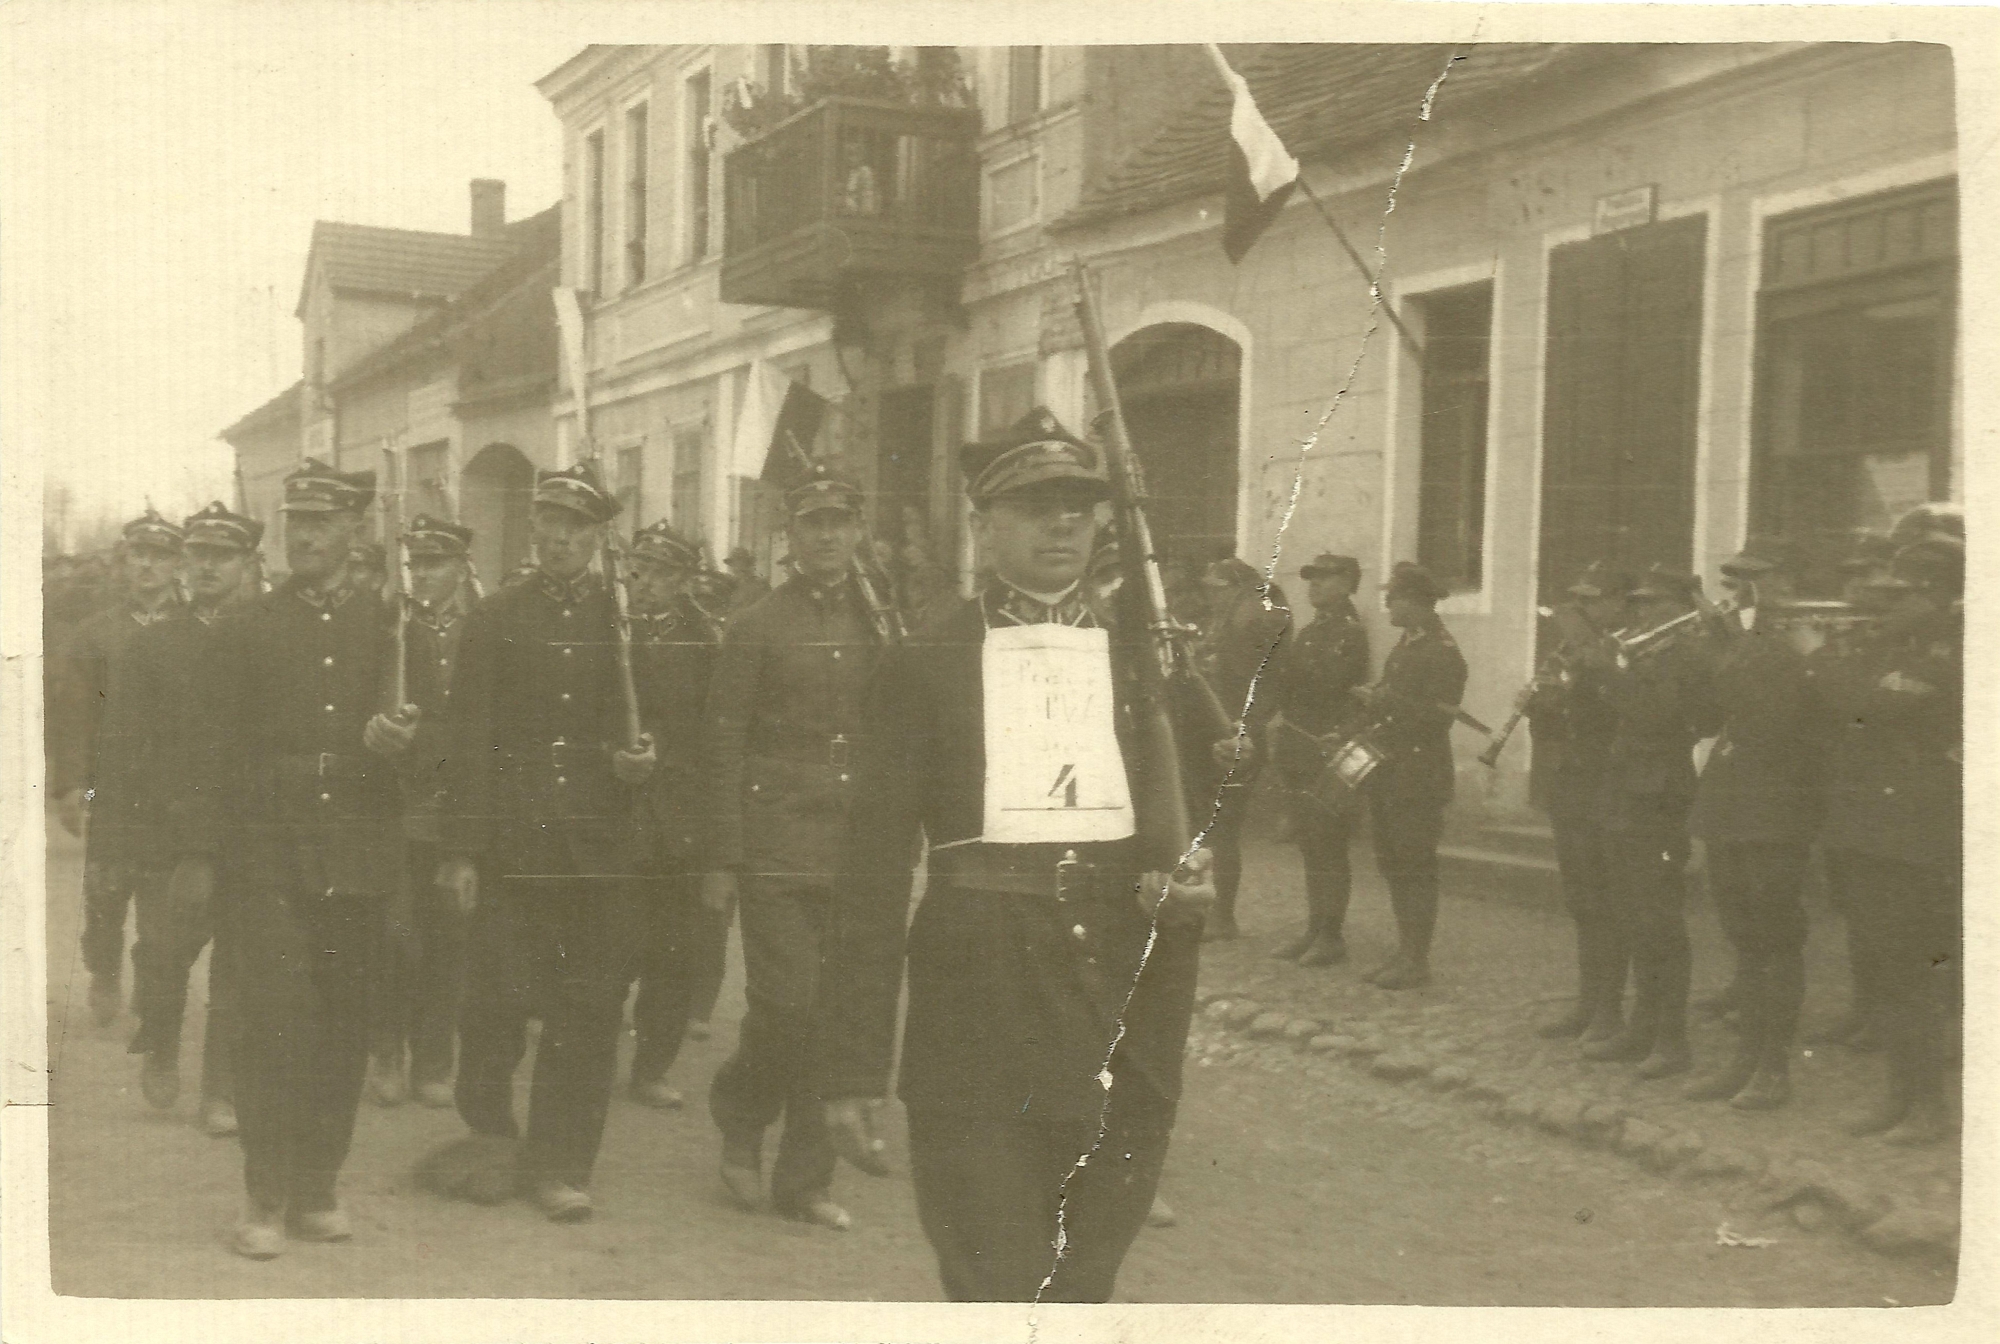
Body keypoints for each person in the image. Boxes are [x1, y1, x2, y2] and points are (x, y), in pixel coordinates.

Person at [810, 406, 1216, 1301]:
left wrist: (1191, 882)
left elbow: (1193, 822)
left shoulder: (1144, 662)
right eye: (1035, 505)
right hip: (978, 1013)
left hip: (1117, 1013)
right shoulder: (928, 663)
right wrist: (850, 1066)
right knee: (996, 1281)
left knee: (1081, 1285)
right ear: (984, 525)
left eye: (1078, 504)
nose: (1063, 521)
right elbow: (872, 877)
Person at [170, 460, 417, 1258]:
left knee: (344, 1025)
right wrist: (200, 853)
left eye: (322, 521)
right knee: (275, 1024)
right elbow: (205, 749)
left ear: (356, 532)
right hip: (265, 851)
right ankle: (264, 1193)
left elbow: (439, 744)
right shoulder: (247, 628)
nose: (305, 534)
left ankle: (318, 1186)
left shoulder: (393, 628)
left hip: (358, 850)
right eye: (295, 521)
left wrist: (401, 746)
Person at [430, 464, 657, 1223]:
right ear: (535, 533)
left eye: (576, 528)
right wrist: (462, 849)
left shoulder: (625, 624)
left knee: (588, 1010)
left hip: (599, 851)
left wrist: (641, 765)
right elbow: (468, 741)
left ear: (597, 538)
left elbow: (660, 731)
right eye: (548, 526)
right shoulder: (495, 618)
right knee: (493, 1004)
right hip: (512, 848)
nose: (559, 539)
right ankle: (491, 1132)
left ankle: (563, 1163)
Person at [702, 467, 885, 1230]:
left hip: (855, 844)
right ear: (791, 534)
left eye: (841, 522)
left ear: (856, 531)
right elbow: (721, 745)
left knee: (835, 1012)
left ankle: (805, 1181)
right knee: (787, 1006)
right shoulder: (756, 625)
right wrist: (720, 856)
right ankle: (741, 1114)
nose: (829, 536)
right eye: (814, 523)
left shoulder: (879, 621)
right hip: (776, 839)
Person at [1811, 536, 1962, 1145]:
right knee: (1887, 970)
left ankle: (1929, 1109)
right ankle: (1900, 1098)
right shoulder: (1895, 648)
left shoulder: (1944, 654)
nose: (1885, 604)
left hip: (1912, 835)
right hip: (1873, 829)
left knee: (1913, 975)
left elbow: (1858, 706)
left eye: (1900, 594)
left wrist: (1830, 656)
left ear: (1933, 594)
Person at [122, 503, 259, 1135]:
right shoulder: (152, 643)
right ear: (185, 563)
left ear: (247, 564)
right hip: (166, 831)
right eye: (198, 556)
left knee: (238, 961)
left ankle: (222, 1089)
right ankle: (162, 1039)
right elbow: (128, 747)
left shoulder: (267, 635)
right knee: (165, 949)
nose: (208, 567)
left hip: (245, 830)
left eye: (222, 557)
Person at [1682, 542, 1821, 1109]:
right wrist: (1707, 659)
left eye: (1750, 579)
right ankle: (1744, 1061)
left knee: (1774, 940)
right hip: (1730, 803)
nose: (1739, 591)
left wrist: (1725, 651)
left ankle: (1774, 1070)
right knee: (1743, 941)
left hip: (1775, 809)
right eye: (1735, 580)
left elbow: (1775, 719)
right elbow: (1709, 719)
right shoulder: (1741, 639)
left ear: (1783, 579)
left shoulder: (1800, 636)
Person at [51, 509, 188, 1027]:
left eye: (160, 556)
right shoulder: (95, 633)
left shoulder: (195, 627)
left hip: (173, 797)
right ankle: (104, 971)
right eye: (138, 555)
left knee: (163, 911)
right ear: (123, 562)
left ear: (177, 565)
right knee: (106, 898)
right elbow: (75, 718)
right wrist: (73, 791)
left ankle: (152, 992)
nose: (148, 566)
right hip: (107, 794)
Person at [367, 515, 477, 1110]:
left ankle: (435, 1056)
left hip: (455, 804)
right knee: (395, 933)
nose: (426, 575)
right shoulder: (393, 629)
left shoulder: (481, 630)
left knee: (450, 935)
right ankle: (387, 1050)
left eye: (438, 564)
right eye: (418, 564)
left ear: (461, 569)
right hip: (396, 801)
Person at [1581, 565, 1708, 1079]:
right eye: (1641, 602)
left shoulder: (1689, 655)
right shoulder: (1645, 651)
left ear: (1681, 609)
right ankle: (1642, 1026)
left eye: (1656, 604)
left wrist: (1611, 672)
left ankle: (1672, 1038)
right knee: (1631, 914)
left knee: (1659, 919)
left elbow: (1660, 715)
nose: (1645, 612)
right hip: (1626, 789)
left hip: (1660, 796)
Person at [623, 520, 727, 1111]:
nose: (647, 583)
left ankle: (651, 1067)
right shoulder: (610, 629)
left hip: (679, 819)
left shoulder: (706, 642)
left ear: (685, 580)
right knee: (606, 944)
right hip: (616, 810)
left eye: (662, 573)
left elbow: (716, 734)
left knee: (673, 953)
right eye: (640, 569)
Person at [1525, 563, 1634, 1043]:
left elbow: (1623, 714)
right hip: (1571, 788)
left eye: (1596, 599)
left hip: (1609, 788)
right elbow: (1559, 724)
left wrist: (1592, 662)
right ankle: (1588, 1003)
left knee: (1610, 901)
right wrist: (1538, 704)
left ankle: (1610, 1009)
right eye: (1581, 599)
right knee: (1583, 902)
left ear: (1619, 603)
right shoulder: (1572, 652)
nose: (1586, 608)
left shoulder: (1625, 649)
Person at [1354, 562, 1468, 990]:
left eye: (1395, 598)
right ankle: (1404, 952)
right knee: (1394, 864)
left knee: (1415, 865)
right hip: (1392, 770)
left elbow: (1436, 720)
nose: (1388, 604)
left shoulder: (1443, 652)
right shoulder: (1408, 643)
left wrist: (1383, 700)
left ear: (1419, 603)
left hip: (1419, 775)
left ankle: (1416, 959)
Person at [1268, 553, 1370, 965]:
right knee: (1310, 844)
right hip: (1299, 746)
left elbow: (1330, 686)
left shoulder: (1349, 633)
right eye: (1311, 579)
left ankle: (1331, 936)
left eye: (1325, 579)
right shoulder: (1311, 632)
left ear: (1347, 584)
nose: (1314, 586)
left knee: (1329, 844)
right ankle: (1314, 928)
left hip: (1328, 749)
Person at [1185, 557, 1289, 942]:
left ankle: (1223, 916)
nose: (1210, 597)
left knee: (1223, 829)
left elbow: (1258, 684)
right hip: (1215, 733)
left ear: (1234, 588)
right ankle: (1209, 909)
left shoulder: (1252, 621)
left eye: (1216, 589)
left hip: (1237, 735)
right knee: (1207, 827)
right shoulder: (1226, 621)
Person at [725, 545, 771, 612]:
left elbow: (764, 610)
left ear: (748, 565)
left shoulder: (760, 585)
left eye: (741, 564)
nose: (736, 567)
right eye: (733, 564)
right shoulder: (731, 586)